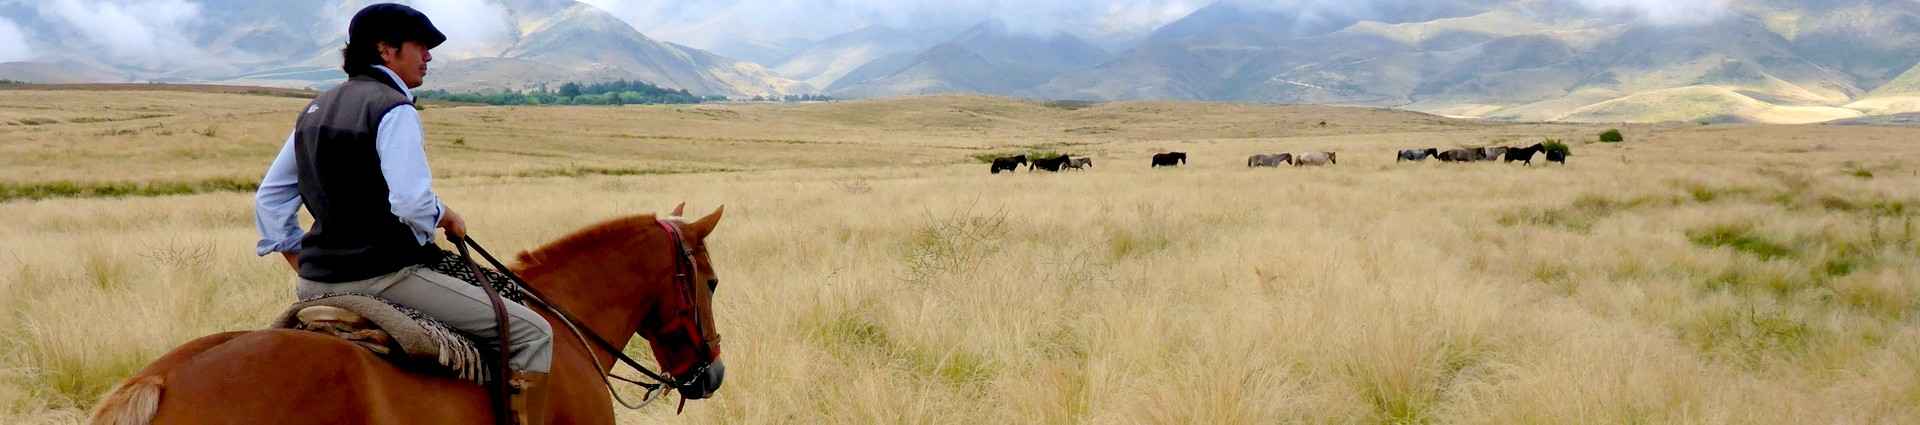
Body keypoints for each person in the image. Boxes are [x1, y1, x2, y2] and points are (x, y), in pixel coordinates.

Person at [251, 4, 553, 424]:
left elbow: (270, 196)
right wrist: (444, 213)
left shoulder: (316, 108)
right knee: (532, 332)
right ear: (387, 50)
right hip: (387, 276)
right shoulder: (393, 108)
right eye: (421, 47)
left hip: (313, 283)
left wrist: (300, 261)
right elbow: (410, 203)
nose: (428, 56)